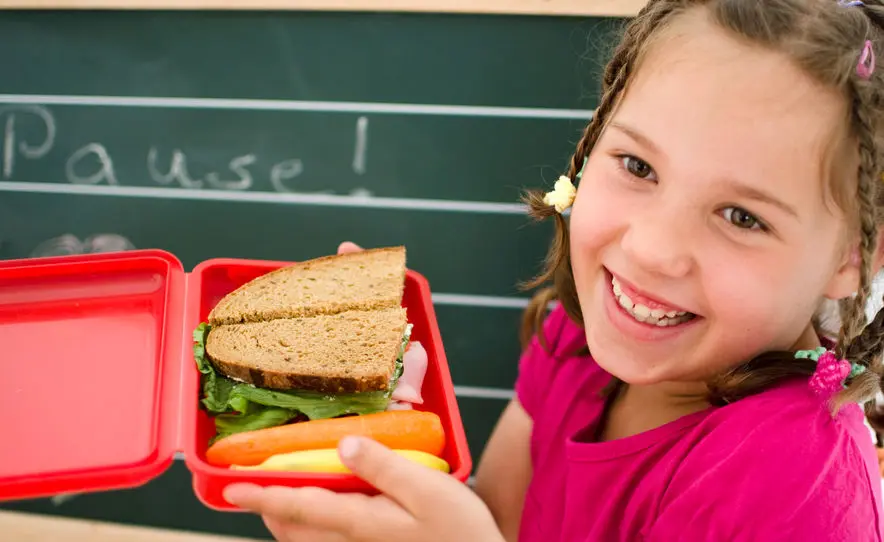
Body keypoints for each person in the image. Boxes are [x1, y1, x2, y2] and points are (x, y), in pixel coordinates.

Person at [221, 0, 884, 540]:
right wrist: (382, 422)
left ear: (857, 259)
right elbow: (500, 524)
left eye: (741, 217)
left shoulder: (796, 494)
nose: (651, 250)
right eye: (638, 166)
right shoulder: (578, 334)